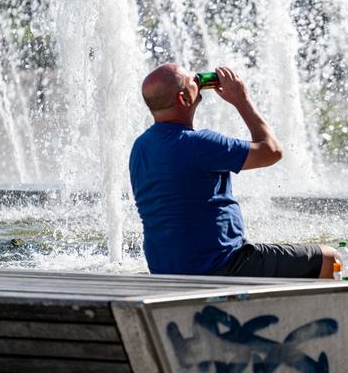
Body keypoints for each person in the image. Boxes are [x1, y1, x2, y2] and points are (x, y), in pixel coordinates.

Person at [129, 63, 337, 278]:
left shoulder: (140, 147)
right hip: (222, 265)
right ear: (184, 98)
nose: (197, 79)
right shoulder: (200, 143)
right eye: (191, 80)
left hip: (165, 271)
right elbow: (272, 151)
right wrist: (241, 100)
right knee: (330, 259)